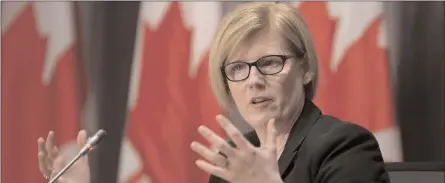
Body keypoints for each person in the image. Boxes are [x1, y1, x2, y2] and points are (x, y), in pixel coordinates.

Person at [37, 2, 391, 183]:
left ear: (305, 67)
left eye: (270, 62)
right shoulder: (232, 162)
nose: (253, 80)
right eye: (238, 68)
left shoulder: (346, 146)